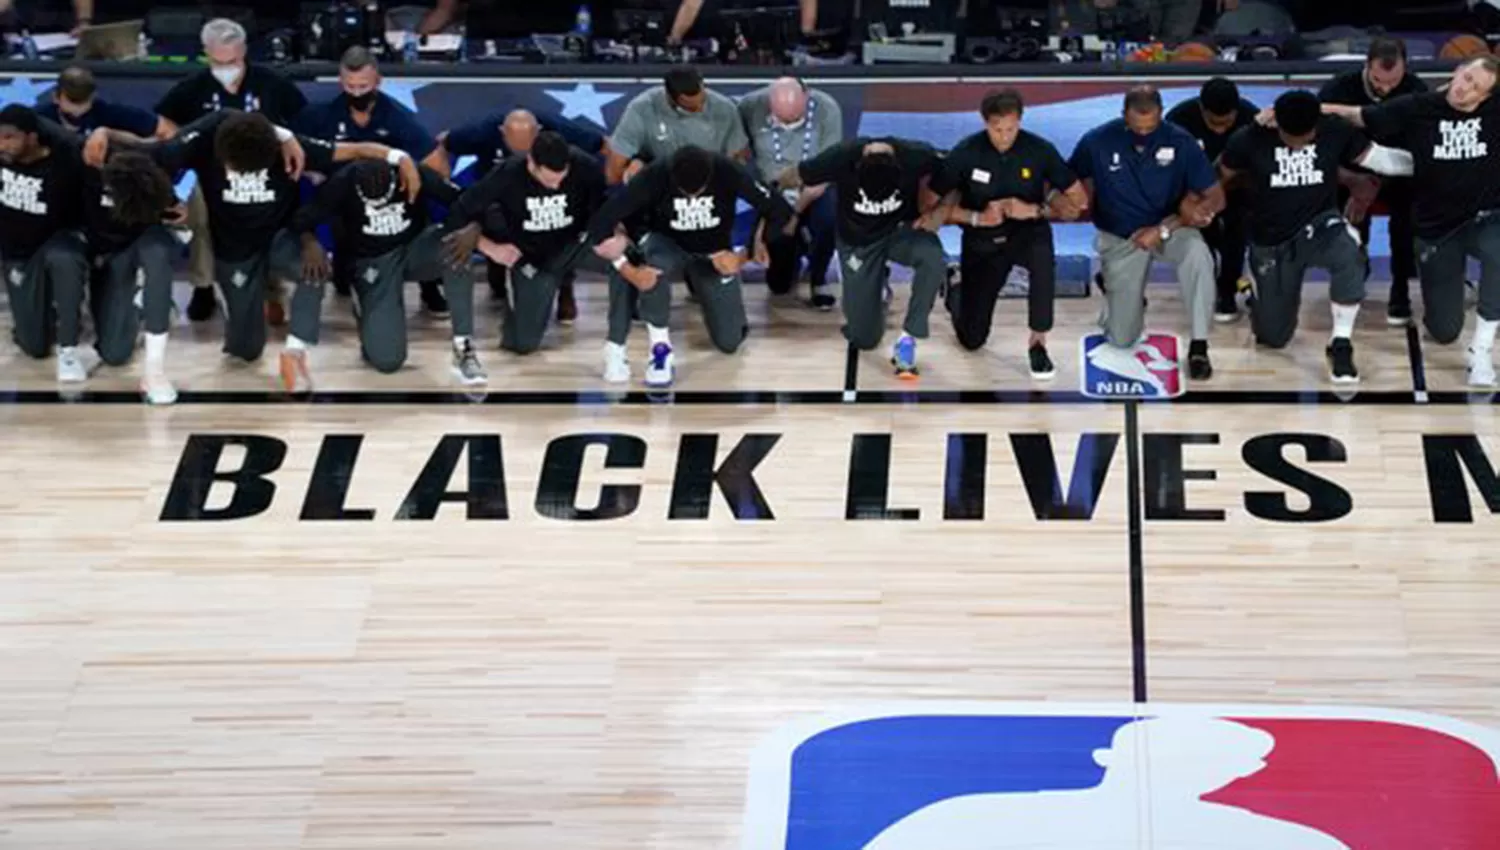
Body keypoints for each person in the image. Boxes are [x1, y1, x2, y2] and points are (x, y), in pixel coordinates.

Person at [87, 109, 421, 398]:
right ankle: (262, 299)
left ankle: (295, 352)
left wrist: (398, 158)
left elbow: (355, 150)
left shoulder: (289, 148)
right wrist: (105, 132)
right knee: (245, 352)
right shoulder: (203, 140)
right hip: (235, 248)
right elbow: (148, 150)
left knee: (314, 267)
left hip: (280, 238)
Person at [1324, 56, 1500, 387]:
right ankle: (1449, 300)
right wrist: (1312, 110)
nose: (1462, 88)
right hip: (1438, 227)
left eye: (1474, 86)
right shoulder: (1418, 107)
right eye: (1463, 77)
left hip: (1486, 218)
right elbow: (1359, 116)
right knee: (1444, 330)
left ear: (1486, 97)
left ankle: (1481, 350)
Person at [1219, 90, 1414, 384]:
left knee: (1349, 254)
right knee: (1274, 337)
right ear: (1277, 126)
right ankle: (1256, 295)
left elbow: (1381, 159)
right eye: (1291, 140)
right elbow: (1217, 178)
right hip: (1271, 238)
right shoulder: (1248, 139)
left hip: (1320, 224)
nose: (1299, 146)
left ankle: (1341, 343)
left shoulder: (1335, 130)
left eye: (1306, 139)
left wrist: (1431, 161)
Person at [581, 146, 794, 387]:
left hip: (713, 251)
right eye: (685, 193)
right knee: (653, 264)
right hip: (666, 243)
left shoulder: (728, 170)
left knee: (729, 342)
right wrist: (628, 267)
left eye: (699, 193)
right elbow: (601, 223)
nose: (692, 199)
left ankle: (719, 309)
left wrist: (745, 253)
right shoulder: (655, 175)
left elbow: (781, 211)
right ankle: (659, 350)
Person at [155, 18, 308, 323]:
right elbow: (165, 126)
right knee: (195, 202)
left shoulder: (272, 83)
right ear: (206, 53)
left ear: (244, 51)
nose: (226, 67)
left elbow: (303, 121)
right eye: (217, 61)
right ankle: (202, 286)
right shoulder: (191, 88)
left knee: (270, 208)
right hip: (206, 173)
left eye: (233, 61)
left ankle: (270, 286)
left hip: (264, 172)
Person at [931, 88, 1090, 379]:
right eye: (997, 129)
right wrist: (977, 217)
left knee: (1044, 261)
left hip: (1027, 232)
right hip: (982, 239)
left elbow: (1078, 202)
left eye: (1011, 128)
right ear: (984, 122)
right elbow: (929, 207)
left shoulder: (1039, 149)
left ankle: (1038, 343)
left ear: (1020, 121)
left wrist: (1035, 210)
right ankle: (955, 288)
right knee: (972, 340)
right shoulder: (966, 152)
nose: (1004, 136)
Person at [1069, 85, 1226, 380]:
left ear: (1161, 115)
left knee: (1198, 255)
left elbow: (1217, 196)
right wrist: (1068, 200)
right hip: (1121, 236)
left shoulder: (1181, 141)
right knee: (1121, 339)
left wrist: (1171, 224)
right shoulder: (1096, 141)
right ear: (1123, 116)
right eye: (1137, 127)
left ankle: (1199, 345)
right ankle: (1118, 292)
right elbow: (1068, 181)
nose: (1144, 133)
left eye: (1150, 126)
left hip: (1170, 228)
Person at [287, 159, 483, 389]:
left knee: (457, 247)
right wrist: (310, 242)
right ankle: (365, 306)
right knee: (388, 361)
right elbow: (302, 218)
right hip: (373, 261)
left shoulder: (414, 172)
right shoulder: (342, 181)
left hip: (415, 247)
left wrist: (475, 227)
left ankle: (464, 346)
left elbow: (467, 200)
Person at [298, 46, 451, 316]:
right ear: (341, 82)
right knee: (343, 272)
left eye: (363, 86)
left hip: (392, 196)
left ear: (378, 82)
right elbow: (292, 152)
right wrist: (311, 172)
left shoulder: (396, 117)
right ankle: (348, 278)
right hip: (342, 199)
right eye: (350, 86)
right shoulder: (320, 116)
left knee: (420, 213)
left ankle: (429, 287)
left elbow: (436, 165)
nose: (357, 92)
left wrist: (417, 179)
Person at [440, 131, 617, 361]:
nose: (556, 186)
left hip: (576, 245)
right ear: (532, 163)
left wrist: (616, 237)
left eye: (562, 178)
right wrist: (490, 247)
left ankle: (625, 341)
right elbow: (458, 212)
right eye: (549, 180)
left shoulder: (586, 166)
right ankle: (518, 304)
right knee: (523, 344)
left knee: (629, 258)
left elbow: (605, 208)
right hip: (532, 257)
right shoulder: (508, 173)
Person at [781, 135, 947, 378]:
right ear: (858, 166)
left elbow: (956, 172)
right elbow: (796, 174)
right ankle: (876, 287)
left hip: (899, 232)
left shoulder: (917, 154)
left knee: (933, 257)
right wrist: (771, 192)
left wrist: (940, 211)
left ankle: (908, 338)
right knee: (864, 339)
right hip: (858, 242)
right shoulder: (838, 157)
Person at [439, 107, 607, 316]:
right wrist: (437, 159)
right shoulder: (484, 134)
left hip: (552, 204)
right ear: (501, 132)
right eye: (516, 149)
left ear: (539, 132)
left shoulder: (558, 135)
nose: (523, 157)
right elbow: (446, 141)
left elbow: (602, 144)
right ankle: (498, 276)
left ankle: (565, 288)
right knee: (489, 220)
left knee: (565, 223)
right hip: (500, 204)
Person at [1319, 36, 1428, 326]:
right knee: (1349, 219)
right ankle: (1354, 274)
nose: (1386, 88)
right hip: (1351, 171)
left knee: (1406, 218)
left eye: (1394, 81)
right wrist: (1354, 180)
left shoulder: (1417, 90)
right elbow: (1321, 147)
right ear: (1367, 66)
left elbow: (1422, 148)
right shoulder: (1337, 90)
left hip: (1400, 173)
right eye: (1380, 81)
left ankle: (1401, 289)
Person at [0, 106, 91, 383]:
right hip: (18, 256)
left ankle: (69, 350)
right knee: (34, 346)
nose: (1, 144)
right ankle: (41, 314)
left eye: (9, 138)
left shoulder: (66, 163)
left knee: (64, 257)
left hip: (57, 243)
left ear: (32, 137)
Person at [738, 76, 843, 310]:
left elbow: (829, 167)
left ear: (807, 98)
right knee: (779, 286)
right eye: (780, 120)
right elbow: (739, 156)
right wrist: (761, 226)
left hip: (815, 186)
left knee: (828, 219)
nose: (786, 126)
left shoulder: (827, 108)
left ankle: (819, 278)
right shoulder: (748, 107)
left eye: (793, 120)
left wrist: (795, 215)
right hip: (773, 191)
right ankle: (795, 251)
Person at [1167, 76, 1258, 321]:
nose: (1220, 129)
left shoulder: (1252, 120)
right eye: (1213, 123)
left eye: (1226, 123)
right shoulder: (1178, 121)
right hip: (1193, 193)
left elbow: (1261, 166)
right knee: (1202, 235)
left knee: (1237, 230)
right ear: (1201, 109)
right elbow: (1169, 168)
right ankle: (1205, 284)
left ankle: (1227, 290)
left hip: (1237, 189)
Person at [606, 66, 750, 185]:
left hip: (709, 183)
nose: (700, 107)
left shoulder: (725, 108)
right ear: (670, 97)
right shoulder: (642, 108)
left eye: (702, 100)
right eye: (692, 107)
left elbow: (738, 158)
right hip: (660, 183)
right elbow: (617, 163)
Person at [37, 66, 169, 140]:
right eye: (73, 100)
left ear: (93, 96)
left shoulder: (110, 113)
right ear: (56, 97)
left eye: (83, 100)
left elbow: (166, 130)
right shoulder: (38, 118)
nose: (77, 109)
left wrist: (121, 138)